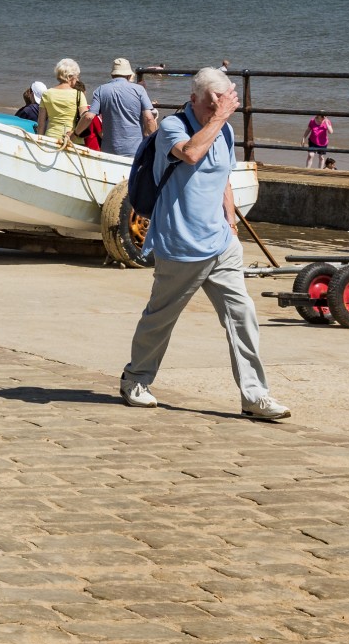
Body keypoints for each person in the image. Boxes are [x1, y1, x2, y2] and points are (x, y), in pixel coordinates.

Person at [120, 67, 289, 422]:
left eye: (223, 102)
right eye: (212, 103)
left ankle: (254, 396)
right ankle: (135, 379)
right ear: (195, 98)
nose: (218, 110)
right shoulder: (172, 128)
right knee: (161, 318)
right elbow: (193, 154)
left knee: (242, 316)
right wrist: (221, 117)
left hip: (220, 244)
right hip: (180, 244)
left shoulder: (225, 130)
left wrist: (230, 221)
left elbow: (222, 177)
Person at [88, 59, 157, 158]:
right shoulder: (139, 90)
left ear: (112, 75)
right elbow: (149, 119)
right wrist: (154, 143)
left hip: (109, 150)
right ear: (129, 76)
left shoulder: (100, 90)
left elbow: (89, 116)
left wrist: (75, 134)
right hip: (134, 149)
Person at [37, 59, 89, 143]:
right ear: (71, 76)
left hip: (51, 137)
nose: (77, 79)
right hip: (72, 140)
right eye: (77, 76)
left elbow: (41, 124)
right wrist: (75, 134)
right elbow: (86, 118)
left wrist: (38, 141)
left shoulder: (47, 94)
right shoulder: (78, 95)